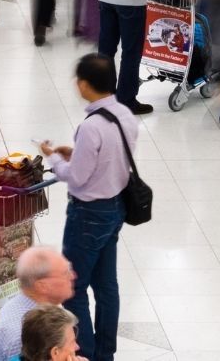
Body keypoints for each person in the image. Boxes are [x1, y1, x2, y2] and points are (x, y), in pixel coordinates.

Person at [38, 54, 141, 361]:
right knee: (107, 285)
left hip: (88, 215)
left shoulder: (92, 126)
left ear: (84, 84)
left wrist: (53, 158)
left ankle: (86, 353)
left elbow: (77, 176)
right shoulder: (125, 115)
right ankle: (106, 352)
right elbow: (111, 159)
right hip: (115, 209)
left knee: (74, 286)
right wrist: (77, 152)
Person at [0, 247, 77, 361]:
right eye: (65, 272)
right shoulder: (26, 336)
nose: (73, 276)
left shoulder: (33, 308)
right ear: (43, 285)